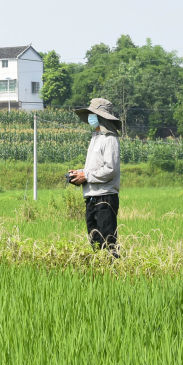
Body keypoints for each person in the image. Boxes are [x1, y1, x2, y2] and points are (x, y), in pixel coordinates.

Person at [68, 98, 121, 256]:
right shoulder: (95, 138)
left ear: (101, 117)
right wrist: (79, 173)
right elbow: (94, 168)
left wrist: (86, 175)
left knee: (108, 242)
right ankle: (101, 267)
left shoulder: (110, 139)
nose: (90, 117)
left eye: (93, 114)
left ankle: (114, 268)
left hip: (105, 198)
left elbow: (110, 169)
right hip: (91, 197)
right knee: (95, 242)